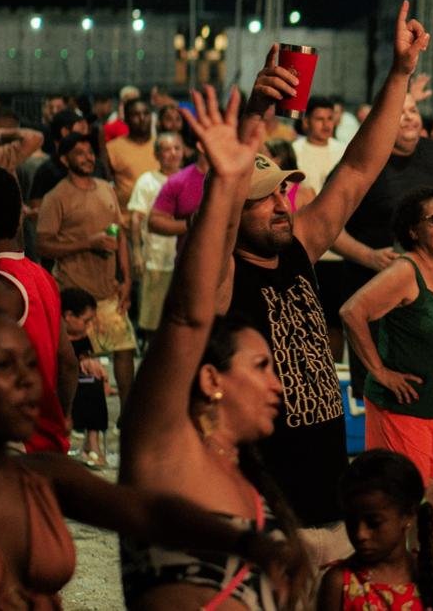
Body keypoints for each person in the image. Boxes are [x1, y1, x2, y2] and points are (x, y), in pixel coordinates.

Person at [217, 2, 429, 566]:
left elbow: (358, 169)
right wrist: (257, 114)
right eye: (261, 199)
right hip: (261, 516)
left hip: (329, 510)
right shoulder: (219, 276)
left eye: (280, 191)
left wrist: (400, 73)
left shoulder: (300, 250)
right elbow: (217, 205)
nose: (279, 205)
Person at [0, 298, 300, 609]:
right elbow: (185, 316)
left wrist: (251, 545)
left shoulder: (41, 474)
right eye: (2, 366)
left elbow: (148, 512)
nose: (27, 380)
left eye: (31, 364)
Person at [119, 86, 312, 610]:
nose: (277, 383)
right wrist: (226, 183)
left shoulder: (247, 474)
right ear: (209, 379)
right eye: (261, 366)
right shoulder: (162, 443)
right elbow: (188, 312)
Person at [338, 186, 433, 536]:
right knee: (401, 500)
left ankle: (421, 569)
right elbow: (353, 311)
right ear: (413, 230)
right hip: (407, 411)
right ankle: (395, 575)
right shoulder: (405, 271)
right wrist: (380, 372)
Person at [332, 86, 433, 399]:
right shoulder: (362, 162)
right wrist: (368, 256)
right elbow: (327, 227)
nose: (409, 117)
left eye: (412, 110)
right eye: (400, 112)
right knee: (390, 397)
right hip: (381, 301)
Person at [0, 165, 75, 455]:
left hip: (16, 451)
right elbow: (67, 363)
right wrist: (61, 417)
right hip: (49, 446)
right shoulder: (41, 276)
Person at [36, 132, 136, 417]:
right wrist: (87, 243)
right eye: (79, 153)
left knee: (124, 349)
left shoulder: (106, 188)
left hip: (108, 290)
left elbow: (120, 236)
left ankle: (126, 418)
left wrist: (126, 279)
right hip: (74, 294)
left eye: (90, 152)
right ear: (65, 159)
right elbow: (44, 245)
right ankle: (73, 421)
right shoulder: (56, 197)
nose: (88, 157)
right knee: (76, 360)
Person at [318, 449, 433, 611]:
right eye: (351, 521)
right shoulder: (339, 582)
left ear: (408, 515)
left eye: (374, 523)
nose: (360, 534)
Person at [128, 132, 184, 341]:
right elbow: (136, 218)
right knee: (152, 319)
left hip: (183, 258)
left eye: (177, 148)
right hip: (155, 258)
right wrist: (136, 253)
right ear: (157, 154)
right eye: (166, 149)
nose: (172, 153)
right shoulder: (147, 181)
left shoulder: (191, 177)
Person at [61, 287, 110, 466]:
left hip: (75, 380)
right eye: (85, 321)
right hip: (56, 382)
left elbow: (84, 358)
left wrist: (92, 366)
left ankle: (92, 442)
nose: (88, 326)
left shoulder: (81, 338)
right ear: (68, 316)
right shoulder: (52, 333)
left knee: (94, 383)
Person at [106, 98, 158, 220]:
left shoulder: (163, 145)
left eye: (146, 113)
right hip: (126, 224)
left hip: (159, 226)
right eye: (136, 115)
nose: (142, 118)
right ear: (126, 119)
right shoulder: (112, 148)